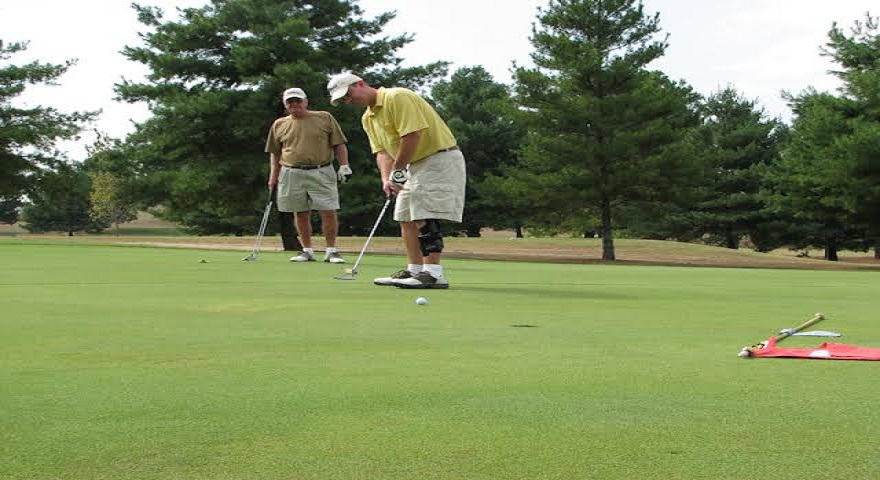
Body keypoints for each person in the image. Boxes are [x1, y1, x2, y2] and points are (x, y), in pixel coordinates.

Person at [326, 72, 466, 289]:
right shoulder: (367, 118)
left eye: (349, 94)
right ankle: (415, 270)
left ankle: (434, 274)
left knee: (423, 213)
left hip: (438, 157)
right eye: (343, 99)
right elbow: (382, 152)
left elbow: (412, 136)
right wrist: (387, 178)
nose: (349, 100)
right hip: (412, 163)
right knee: (405, 215)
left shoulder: (397, 97)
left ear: (360, 84)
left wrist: (399, 170)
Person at [265, 87, 352, 263]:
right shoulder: (279, 124)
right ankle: (307, 250)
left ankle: (331, 250)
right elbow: (275, 153)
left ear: (305, 102)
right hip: (291, 172)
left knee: (328, 210)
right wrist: (273, 177)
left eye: (298, 101)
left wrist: (344, 166)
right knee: (300, 212)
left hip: (321, 170)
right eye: (290, 102)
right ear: (285, 105)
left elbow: (339, 144)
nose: (294, 104)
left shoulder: (324, 117)